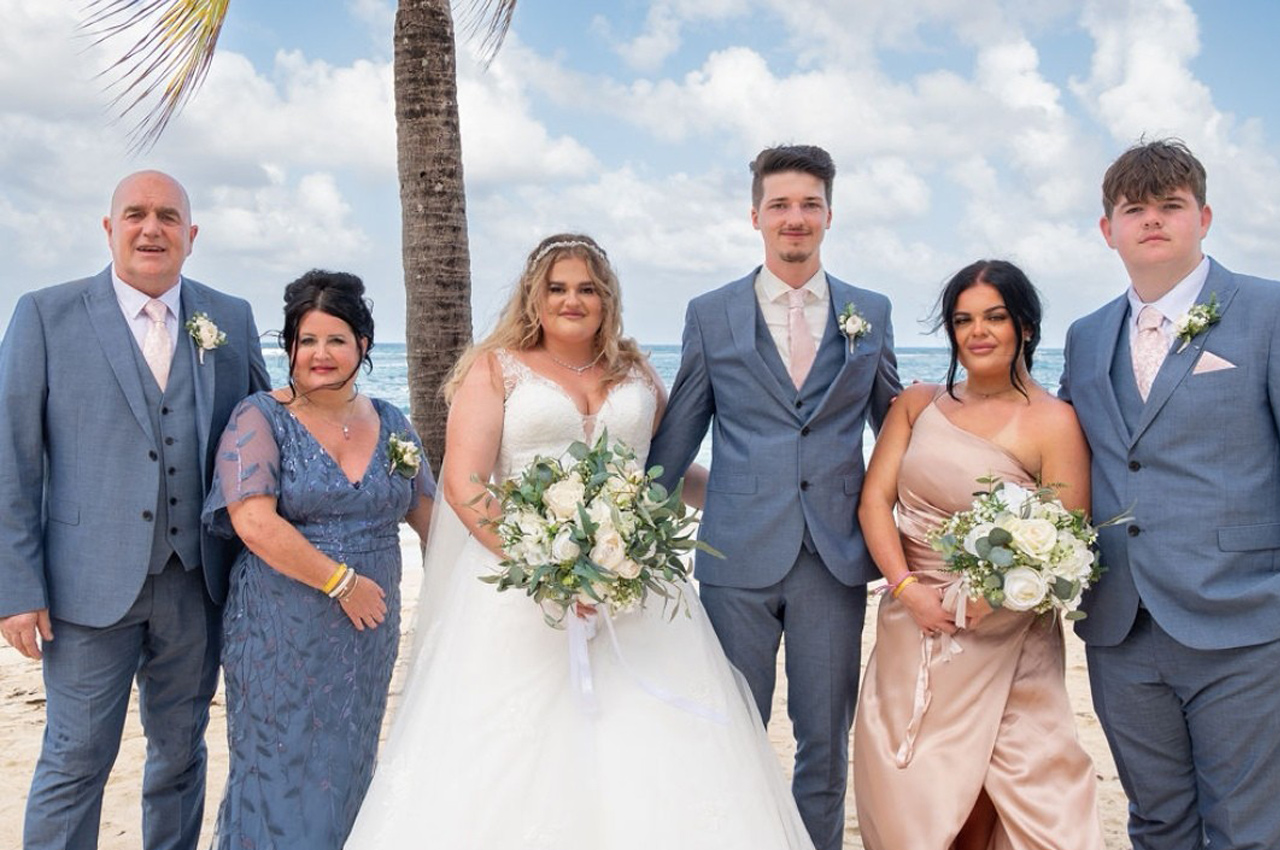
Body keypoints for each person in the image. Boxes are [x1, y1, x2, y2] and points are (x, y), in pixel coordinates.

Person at [344, 234, 816, 849]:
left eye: (587, 288)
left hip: (636, 589)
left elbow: (666, 474)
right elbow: (465, 484)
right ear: (533, 298)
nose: (573, 300)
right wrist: (545, 568)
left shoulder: (636, 370)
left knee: (652, 745)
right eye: (558, 288)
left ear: (607, 297)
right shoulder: (495, 368)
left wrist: (753, 496)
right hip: (523, 592)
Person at [0, 171, 270, 850]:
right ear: (109, 228)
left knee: (180, 757)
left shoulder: (230, 319)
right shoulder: (44, 314)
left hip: (196, 584)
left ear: (191, 235)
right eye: (136, 214)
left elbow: (267, 437)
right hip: (85, 591)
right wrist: (15, 587)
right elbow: (11, 458)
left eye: (168, 217)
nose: (152, 228)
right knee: (75, 759)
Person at [646, 145, 901, 850]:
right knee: (734, 735)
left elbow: (899, 429)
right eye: (781, 205)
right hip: (735, 557)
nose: (796, 218)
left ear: (829, 215)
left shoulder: (869, 312)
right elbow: (678, 435)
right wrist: (627, 540)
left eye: (810, 204)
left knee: (826, 743)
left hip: (834, 561)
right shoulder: (711, 313)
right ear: (755, 214)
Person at [1060, 138, 1280, 849]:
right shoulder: (1087, 336)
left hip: (1244, 620)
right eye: (1135, 209)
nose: (1152, 220)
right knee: (1158, 823)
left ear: (1204, 217)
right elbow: (1061, 453)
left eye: (1171, 206)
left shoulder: (1268, 312)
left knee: (1247, 827)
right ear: (1108, 230)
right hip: (1121, 626)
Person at [853, 260, 1104, 849]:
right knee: (917, 790)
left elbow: (1067, 536)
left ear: (1025, 326)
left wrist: (986, 601)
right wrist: (909, 591)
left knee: (1011, 788)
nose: (978, 332)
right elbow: (873, 503)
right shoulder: (916, 405)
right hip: (913, 625)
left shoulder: (1055, 422)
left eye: (995, 316)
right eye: (963, 320)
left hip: (1008, 633)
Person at [201, 270, 434, 849]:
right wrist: (340, 582)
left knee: (350, 768)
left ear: (363, 345)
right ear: (289, 348)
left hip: (367, 638)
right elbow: (251, 520)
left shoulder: (393, 422)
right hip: (280, 633)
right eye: (307, 340)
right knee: (277, 771)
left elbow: (435, 520)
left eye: (336, 340)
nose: (321, 354)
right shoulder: (259, 417)